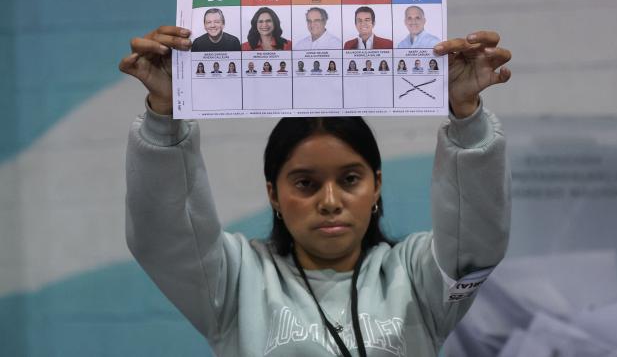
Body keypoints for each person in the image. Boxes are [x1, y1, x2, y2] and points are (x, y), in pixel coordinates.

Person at [120, 25, 511, 357]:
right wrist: (164, 117)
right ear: (273, 193)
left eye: (350, 180)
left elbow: (476, 233)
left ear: (376, 184)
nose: (329, 202)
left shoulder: (416, 276)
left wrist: (467, 118)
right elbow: (165, 233)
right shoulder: (236, 280)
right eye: (305, 183)